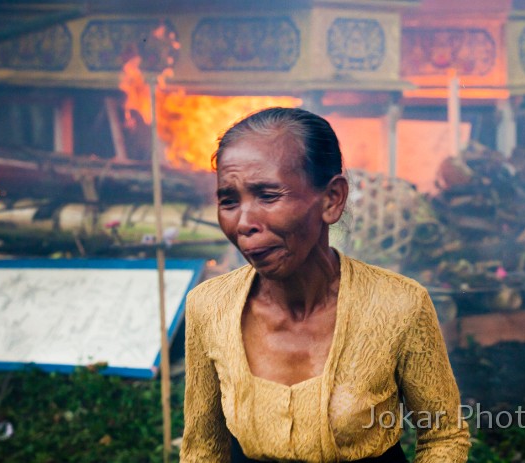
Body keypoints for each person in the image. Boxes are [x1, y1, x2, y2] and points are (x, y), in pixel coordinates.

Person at [180, 107, 470, 462]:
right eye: (228, 200)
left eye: (268, 196)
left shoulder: (399, 305)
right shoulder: (209, 307)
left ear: (332, 199)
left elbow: (444, 435)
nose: (243, 222)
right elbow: (202, 449)